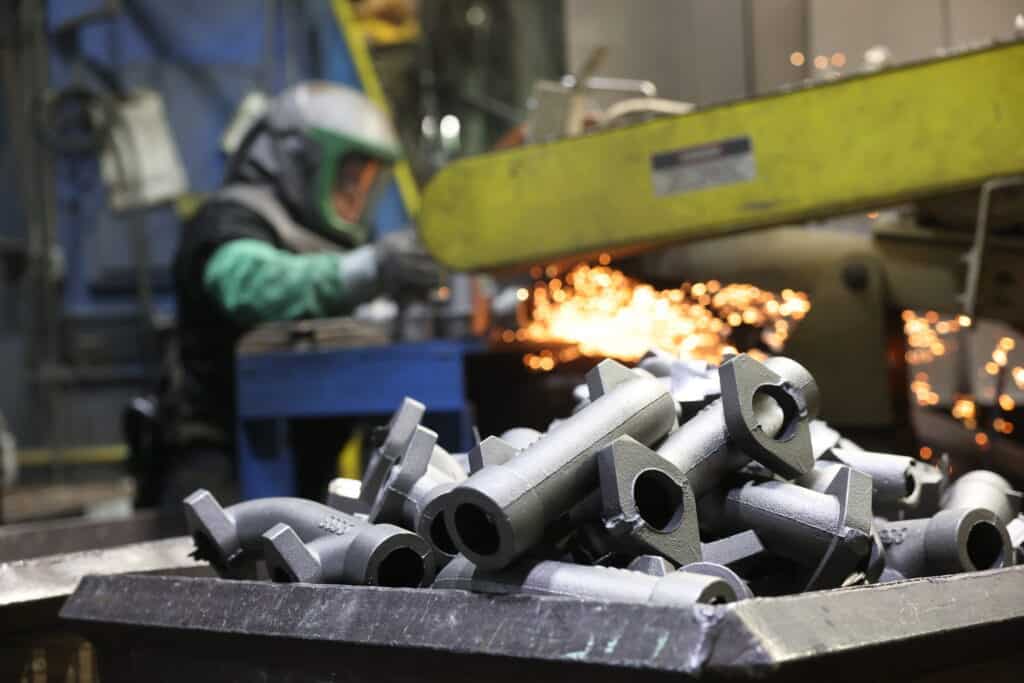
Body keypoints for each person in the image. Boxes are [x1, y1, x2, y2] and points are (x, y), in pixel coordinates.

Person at [153, 81, 441, 505]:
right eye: (348, 176)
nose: (357, 195)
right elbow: (249, 287)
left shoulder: (331, 239)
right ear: (298, 159)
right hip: (215, 460)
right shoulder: (229, 219)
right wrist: (372, 268)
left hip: (298, 465)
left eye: (367, 181)